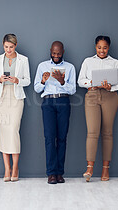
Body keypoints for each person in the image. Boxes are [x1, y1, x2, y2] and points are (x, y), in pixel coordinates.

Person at [78, 36, 118, 182]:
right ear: (95, 47)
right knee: (92, 132)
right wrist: (92, 82)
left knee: (108, 133)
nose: (102, 50)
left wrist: (110, 87)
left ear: (108, 48)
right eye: (99, 47)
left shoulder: (115, 62)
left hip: (110, 96)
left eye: (104, 47)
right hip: (92, 95)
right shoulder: (88, 61)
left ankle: (105, 169)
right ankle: (89, 168)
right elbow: (80, 80)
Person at [34, 41, 76, 184]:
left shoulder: (69, 67)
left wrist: (63, 82)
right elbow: (37, 88)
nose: (56, 56)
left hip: (63, 102)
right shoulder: (42, 66)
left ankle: (60, 173)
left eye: (58, 53)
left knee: (62, 138)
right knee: (50, 138)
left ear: (63, 52)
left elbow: (73, 90)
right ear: (50, 51)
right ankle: (51, 173)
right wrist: (43, 81)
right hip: (48, 103)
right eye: (54, 53)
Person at [0, 34, 30, 182]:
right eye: (6, 47)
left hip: (16, 97)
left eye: (11, 47)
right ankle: (7, 168)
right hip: (1, 97)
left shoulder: (23, 60)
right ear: (3, 45)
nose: (8, 49)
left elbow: (28, 80)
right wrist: (0, 79)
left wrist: (17, 80)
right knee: (3, 131)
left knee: (13, 130)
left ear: (16, 45)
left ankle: (16, 167)